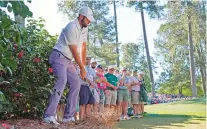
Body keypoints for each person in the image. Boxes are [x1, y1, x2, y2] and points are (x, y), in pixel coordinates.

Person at [43, 6, 95, 124]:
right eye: (88, 19)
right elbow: (74, 50)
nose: (90, 22)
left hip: (68, 60)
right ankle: (48, 115)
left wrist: (83, 68)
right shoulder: (71, 27)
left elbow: (83, 47)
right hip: (58, 56)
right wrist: (81, 67)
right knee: (61, 80)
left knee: (76, 83)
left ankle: (68, 117)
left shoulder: (84, 28)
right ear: (81, 16)